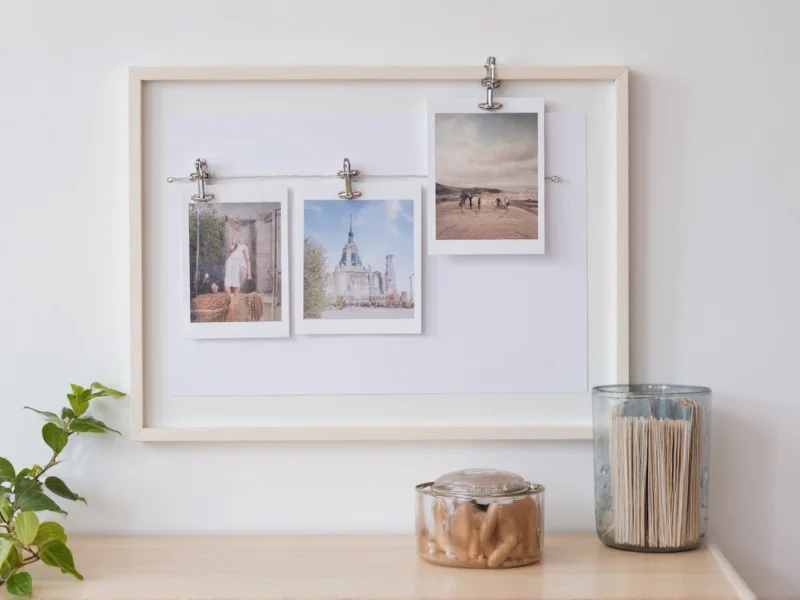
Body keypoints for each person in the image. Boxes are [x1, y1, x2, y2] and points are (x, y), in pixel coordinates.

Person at [224, 231, 252, 319]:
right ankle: (233, 305)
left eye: (243, 236)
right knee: (227, 286)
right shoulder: (234, 245)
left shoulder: (244, 247)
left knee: (236, 286)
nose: (241, 237)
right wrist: (235, 231)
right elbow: (234, 241)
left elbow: (247, 260)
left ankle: (233, 308)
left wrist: (249, 274)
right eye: (239, 236)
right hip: (230, 264)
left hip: (237, 265)